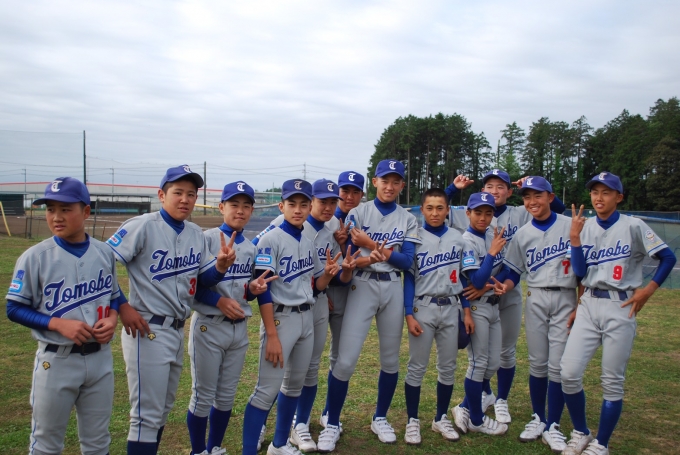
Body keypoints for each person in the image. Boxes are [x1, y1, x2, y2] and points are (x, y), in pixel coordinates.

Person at [107, 165, 235, 455]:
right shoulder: (142, 225)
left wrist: (219, 267)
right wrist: (122, 305)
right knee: (146, 416)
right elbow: (101, 263)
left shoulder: (195, 233)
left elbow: (203, 280)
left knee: (162, 410)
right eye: (178, 192)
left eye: (191, 194)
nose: (185, 199)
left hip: (177, 329)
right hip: (147, 328)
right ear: (161, 195)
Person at [6, 177, 125, 455]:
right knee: (47, 443)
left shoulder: (104, 252)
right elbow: (14, 308)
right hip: (56, 360)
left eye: (65, 209)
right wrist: (56, 323)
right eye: (50, 209)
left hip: (100, 359)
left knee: (98, 442)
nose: (56, 217)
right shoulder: (35, 257)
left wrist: (113, 317)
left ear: (86, 212)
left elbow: (112, 295)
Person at [561, 172, 676, 455]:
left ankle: (602, 444)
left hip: (620, 305)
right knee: (569, 373)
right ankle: (581, 431)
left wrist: (647, 290)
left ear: (619, 197)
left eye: (606, 192)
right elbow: (579, 273)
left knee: (612, 380)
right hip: (589, 303)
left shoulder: (634, 225)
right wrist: (574, 238)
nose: (599, 198)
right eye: (594, 192)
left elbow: (667, 257)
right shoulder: (584, 227)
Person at [240, 179, 354, 455]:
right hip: (281, 318)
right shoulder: (270, 239)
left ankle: (279, 444)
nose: (298, 209)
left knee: (293, 386)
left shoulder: (306, 241)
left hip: (306, 316)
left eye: (303, 204)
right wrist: (271, 333)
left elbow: (315, 286)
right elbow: (263, 288)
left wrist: (328, 274)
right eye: (292, 204)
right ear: (281, 206)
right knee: (266, 390)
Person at [445, 170, 565, 424]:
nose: (495, 191)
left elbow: (557, 209)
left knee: (504, 353)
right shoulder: (471, 220)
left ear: (510, 192)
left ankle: (500, 399)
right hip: (480, 298)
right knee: (481, 359)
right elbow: (437, 206)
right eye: (490, 186)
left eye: (501, 186)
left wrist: (534, 187)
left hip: (507, 286)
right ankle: (478, 400)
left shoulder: (520, 212)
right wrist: (453, 188)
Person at [317, 159, 420, 452]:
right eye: (385, 180)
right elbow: (350, 257)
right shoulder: (358, 212)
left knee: (390, 359)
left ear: (402, 185)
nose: (390, 186)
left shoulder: (408, 218)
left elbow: (406, 261)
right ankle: (332, 422)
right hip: (361, 284)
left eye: (396, 181)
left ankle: (380, 417)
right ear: (375, 182)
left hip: (392, 286)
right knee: (346, 360)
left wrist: (373, 245)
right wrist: (375, 254)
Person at [187, 181, 275, 455]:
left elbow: (242, 292)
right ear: (221, 207)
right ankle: (197, 451)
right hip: (209, 326)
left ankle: (214, 447)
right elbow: (192, 286)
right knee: (202, 396)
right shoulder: (206, 239)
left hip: (238, 330)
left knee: (226, 397)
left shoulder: (250, 247)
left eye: (246, 206)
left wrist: (252, 289)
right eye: (234, 204)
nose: (240, 210)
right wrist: (218, 300)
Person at [502, 176, 578, 452]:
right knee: (537, 362)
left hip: (566, 296)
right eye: (527, 197)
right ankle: (538, 417)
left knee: (557, 365)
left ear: (550, 197)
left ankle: (553, 424)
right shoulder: (522, 234)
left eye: (538, 195)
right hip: (535, 295)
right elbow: (513, 271)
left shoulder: (570, 225)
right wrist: (505, 285)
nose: (532, 201)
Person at [402, 188, 476, 445]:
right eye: (429, 208)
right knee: (416, 367)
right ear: (422, 209)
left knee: (448, 367)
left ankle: (441, 417)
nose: (435, 213)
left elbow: (464, 278)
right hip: (423, 306)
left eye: (440, 208)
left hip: (451, 306)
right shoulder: (414, 238)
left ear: (448, 210)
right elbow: (409, 279)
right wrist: (408, 313)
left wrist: (466, 310)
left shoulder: (458, 238)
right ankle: (412, 420)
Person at [451, 192, 510, 436]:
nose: (483, 217)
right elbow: (475, 280)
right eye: (478, 212)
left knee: (493, 363)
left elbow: (506, 270)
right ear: (468, 213)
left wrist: (492, 284)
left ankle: (464, 406)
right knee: (478, 363)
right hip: (475, 307)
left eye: (488, 213)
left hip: (493, 304)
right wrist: (493, 253)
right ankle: (476, 419)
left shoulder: (490, 235)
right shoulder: (466, 241)